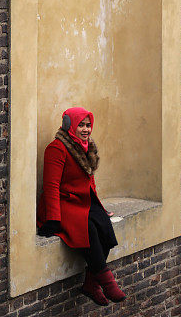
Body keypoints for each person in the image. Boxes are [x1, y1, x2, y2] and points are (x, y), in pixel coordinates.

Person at [37, 107, 126, 306]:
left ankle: (90, 283)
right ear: (69, 125)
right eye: (81, 125)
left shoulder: (86, 147)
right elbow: (50, 186)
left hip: (82, 200)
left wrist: (100, 208)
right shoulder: (56, 148)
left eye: (88, 125)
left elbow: (89, 182)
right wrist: (53, 219)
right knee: (89, 229)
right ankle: (107, 282)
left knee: (104, 225)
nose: (86, 129)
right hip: (62, 203)